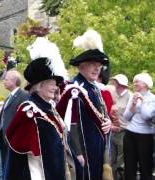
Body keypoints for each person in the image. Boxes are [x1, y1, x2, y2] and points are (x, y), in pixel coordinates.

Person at [5, 37, 71, 180]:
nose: (55, 87)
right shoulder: (28, 111)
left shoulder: (50, 108)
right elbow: (24, 156)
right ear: (39, 86)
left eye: (56, 83)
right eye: (51, 83)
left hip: (55, 170)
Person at [56, 29, 112, 180]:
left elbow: (102, 114)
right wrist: (78, 152)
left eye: (99, 65)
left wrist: (108, 122)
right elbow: (70, 122)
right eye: (92, 64)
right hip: (84, 149)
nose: (97, 68)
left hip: (96, 146)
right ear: (81, 66)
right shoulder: (75, 88)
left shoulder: (93, 87)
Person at [0, 70, 29, 179]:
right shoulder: (9, 97)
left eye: (6, 79)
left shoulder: (23, 95)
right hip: (4, 139)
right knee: (5, 167)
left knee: (13, 170)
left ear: (14, 81)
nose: (4, 81)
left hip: (14, 140)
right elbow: (4, 115)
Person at [123, 72, 155, 180]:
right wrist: (133, 104)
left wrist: (142, 101)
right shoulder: (132, 96)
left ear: (145, 83)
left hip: (145, 137)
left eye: (137, 81)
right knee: (129, 166)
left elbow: (147, 116)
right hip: (130, 134)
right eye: (134, 82)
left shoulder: (154, 98)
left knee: (145, 167)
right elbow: (126, 117)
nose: (134, 84)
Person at [109, 74, 132, 178]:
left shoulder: (130, 97)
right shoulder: (114, 94)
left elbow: (131, 117)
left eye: (116, 83)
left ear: (122, 85)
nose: (115, 85)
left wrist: (121, 127)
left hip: (124, 133)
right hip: (113, 132)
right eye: (114, 83)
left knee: (121, 163)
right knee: (111, 160)